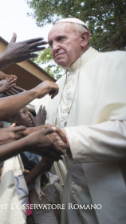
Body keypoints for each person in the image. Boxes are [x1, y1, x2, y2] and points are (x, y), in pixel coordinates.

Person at [35, 18, 126, 223]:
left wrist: (69, 138)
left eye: (60, 39)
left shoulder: (119, 63)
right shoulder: (56, 87)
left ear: (84, 38)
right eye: (50, 43)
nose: (54, 47)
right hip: (73, 194)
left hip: (115, 188)